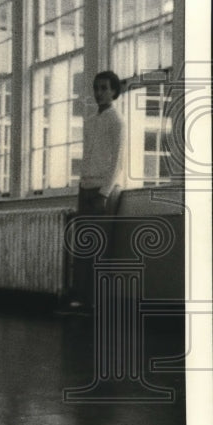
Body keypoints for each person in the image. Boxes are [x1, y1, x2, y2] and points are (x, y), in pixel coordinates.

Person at [66, 70, 124, 312]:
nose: (99, 93)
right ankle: (81, 299)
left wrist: (104, 193)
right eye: (96, 88)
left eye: (104, 88)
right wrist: (82, 184)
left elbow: (117, 161)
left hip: (103, 191)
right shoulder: (90, 121)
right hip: (86, 187)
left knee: (99, 247)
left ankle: (97, 302)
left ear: (113, 91)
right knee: (83, 247)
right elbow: (88, 157)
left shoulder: (116, 121)